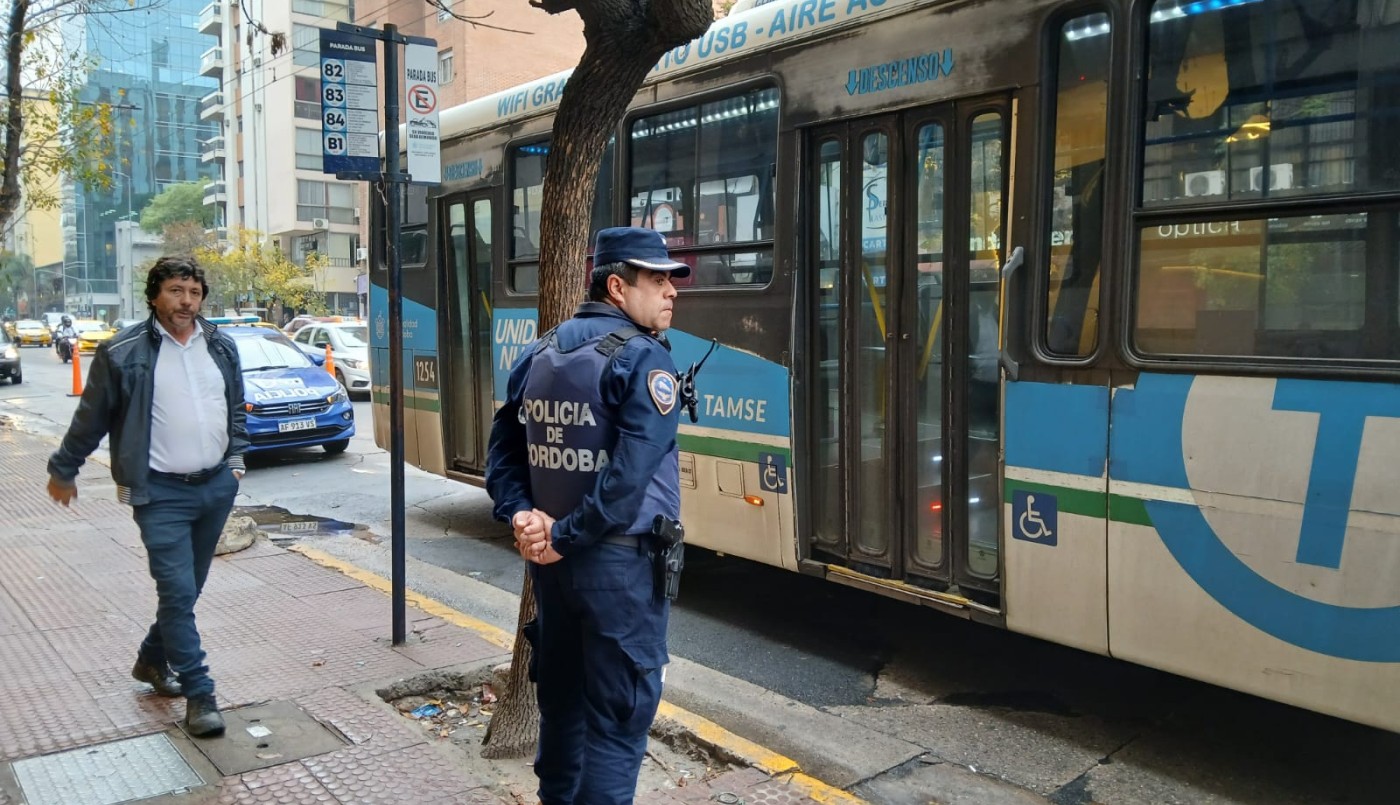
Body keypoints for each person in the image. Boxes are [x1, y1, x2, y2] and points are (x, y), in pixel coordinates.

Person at [486, 226, 689, 805]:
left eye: (673, 280)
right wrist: (564, 536)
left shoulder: (541, 350)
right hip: (618, 573)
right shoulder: (644, 359)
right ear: (618, 286)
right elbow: (627, 479)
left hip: (554, 574)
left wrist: (525, 517)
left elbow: (503, 450)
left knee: (564, 710)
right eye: (658, 280)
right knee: (618, 726)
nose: (671, 291)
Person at [46, 256, 247, 738]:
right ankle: (201, 694)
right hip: (159, 493)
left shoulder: (220, 345)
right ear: (155, 294)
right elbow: (91, 418)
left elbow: (236, 405)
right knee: (177, 593)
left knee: (187, 591)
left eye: (194, 293)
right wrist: (64, 469)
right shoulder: (122, 352)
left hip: (215, 487)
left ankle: (150, 661)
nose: (186, 302)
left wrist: (236, 462)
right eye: (177, 291)